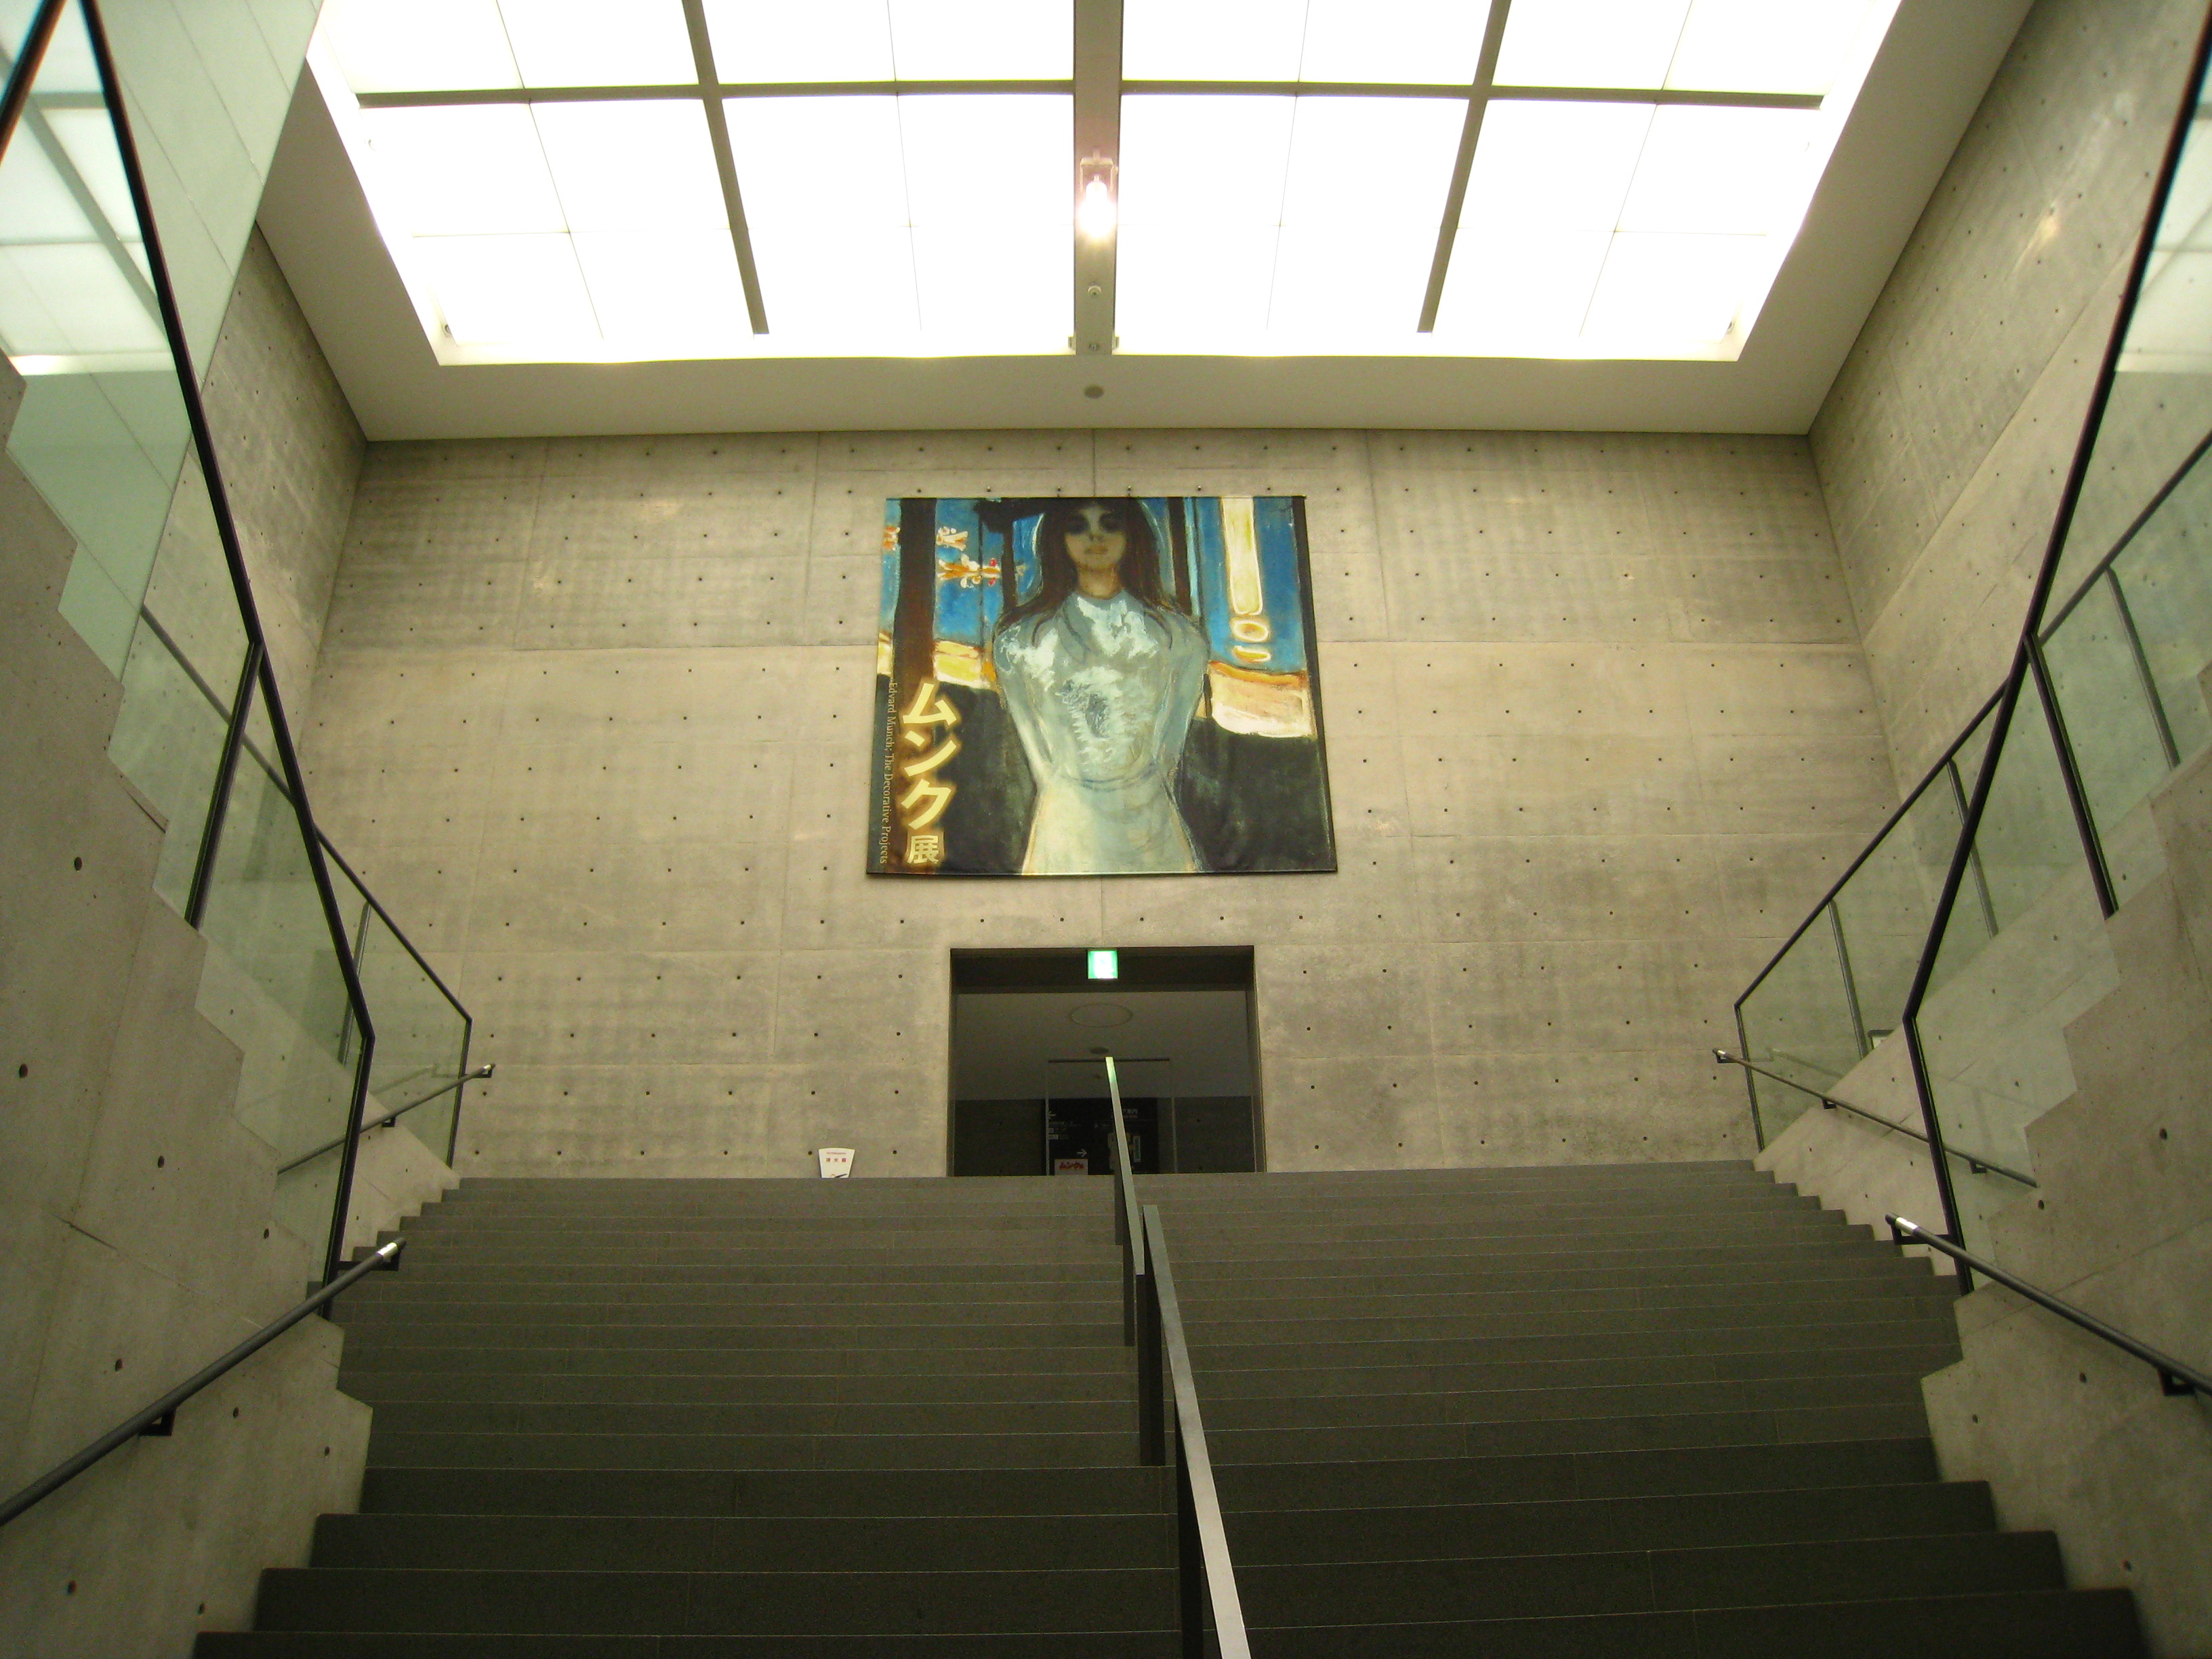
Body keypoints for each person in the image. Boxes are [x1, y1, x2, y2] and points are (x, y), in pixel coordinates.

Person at [989, 499, 1208, 874]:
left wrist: (1139, 792)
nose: (1095, 536)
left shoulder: (1178, 637)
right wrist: (1069, 796)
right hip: (1068, 819)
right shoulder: (1022, 641)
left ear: (1132, 535)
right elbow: (1037, 750)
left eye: (1110, 524)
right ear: (1057, 540)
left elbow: (1170, 747)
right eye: (1077, 526)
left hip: (1151, 820)